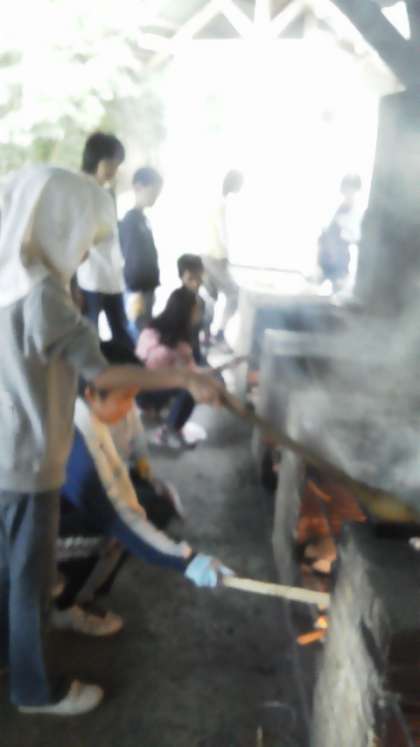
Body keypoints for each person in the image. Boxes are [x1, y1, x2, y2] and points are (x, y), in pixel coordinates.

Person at [0, 165, 224, 717]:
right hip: (28, 460)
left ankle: (11, 657)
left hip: (5, 448)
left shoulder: (8, 276)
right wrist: (184, 377)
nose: (84, 253)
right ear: (59, 224)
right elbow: (101, 374)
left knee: (10, 572)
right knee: (31, 583)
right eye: (84, 238)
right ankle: (35, 691)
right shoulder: (43, 295)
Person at [52, 341, 232, 636]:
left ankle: (66, 589)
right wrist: (186, 560)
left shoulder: (81, 410)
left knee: (141, 512)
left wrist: (147, 478)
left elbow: (120, 481)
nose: (129, 408)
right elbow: (118, 516)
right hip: (23, 532)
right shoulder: (77, 441)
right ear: (91, 394)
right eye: (124, 398)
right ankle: (65, 607)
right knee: (112, 534)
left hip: (56, 508)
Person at [77, 132, 133, 349]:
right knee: (89, 339)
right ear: (98, 160)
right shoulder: (79, 188)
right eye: (113, 163)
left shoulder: (104, 192)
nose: (115, 170)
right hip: (89, 279)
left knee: (122, 335)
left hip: (111, 277)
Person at [136, 287, 204, 448]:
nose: (199, 314)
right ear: (187, 312)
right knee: (192, 388)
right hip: (150, 390)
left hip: (135, 390)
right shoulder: (180, 344)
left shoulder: (150, 328)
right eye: (196, 310)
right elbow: (193, 374)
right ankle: (169, 430)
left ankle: (152, 408)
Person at [202, 169, 244, 348]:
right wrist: (229, 255)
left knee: (210, 297)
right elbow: (224, 234)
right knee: (234, 294)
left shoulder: (218, 201)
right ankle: (218, 333)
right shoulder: (224, 203)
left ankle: (206, 336)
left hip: (208, 255)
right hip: (215, 257)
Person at [119, 167, 163, 336]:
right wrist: (135, 287)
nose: (155, 197)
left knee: (144, 329)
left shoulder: (143, 219)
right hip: (136, 288)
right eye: (153, 192)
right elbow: (130, 257)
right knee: (138, 331)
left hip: (148, 286)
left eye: (157, 193)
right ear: (138, 187)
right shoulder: (130, 221)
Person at [318, 173, 363, 292]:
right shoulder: (340, 208)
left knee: (339, 289)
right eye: (346, 188)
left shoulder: (357, 212)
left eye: (351, 189)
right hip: (328, 260)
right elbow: (327, 234)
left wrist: (343, 229)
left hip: (341, 262)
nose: (348, 192)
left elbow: (355, 237)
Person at [177, 253, 209, 366]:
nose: (195, 283)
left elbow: (200, 336)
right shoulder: (176, 303)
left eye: (199, 278)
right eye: (190, 279)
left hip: (195, 356)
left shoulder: (202, 302)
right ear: (181, 277)